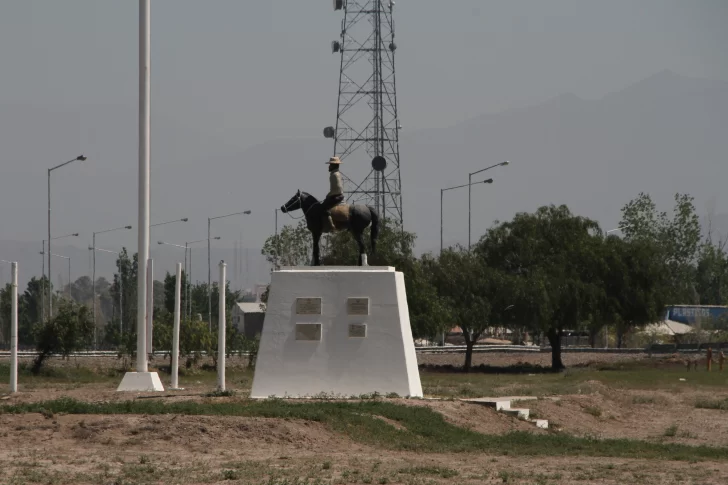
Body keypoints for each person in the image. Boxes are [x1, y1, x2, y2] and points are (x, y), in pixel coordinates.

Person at [322, 156, 345, 229]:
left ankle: (332, 226)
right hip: (337, 195)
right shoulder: (336, 174)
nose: (329, 166)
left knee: (324, 208)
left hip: (336, 196)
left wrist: (328, 195)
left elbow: (336, 189)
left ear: (334, 166)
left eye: (330, 165)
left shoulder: (334, 175)